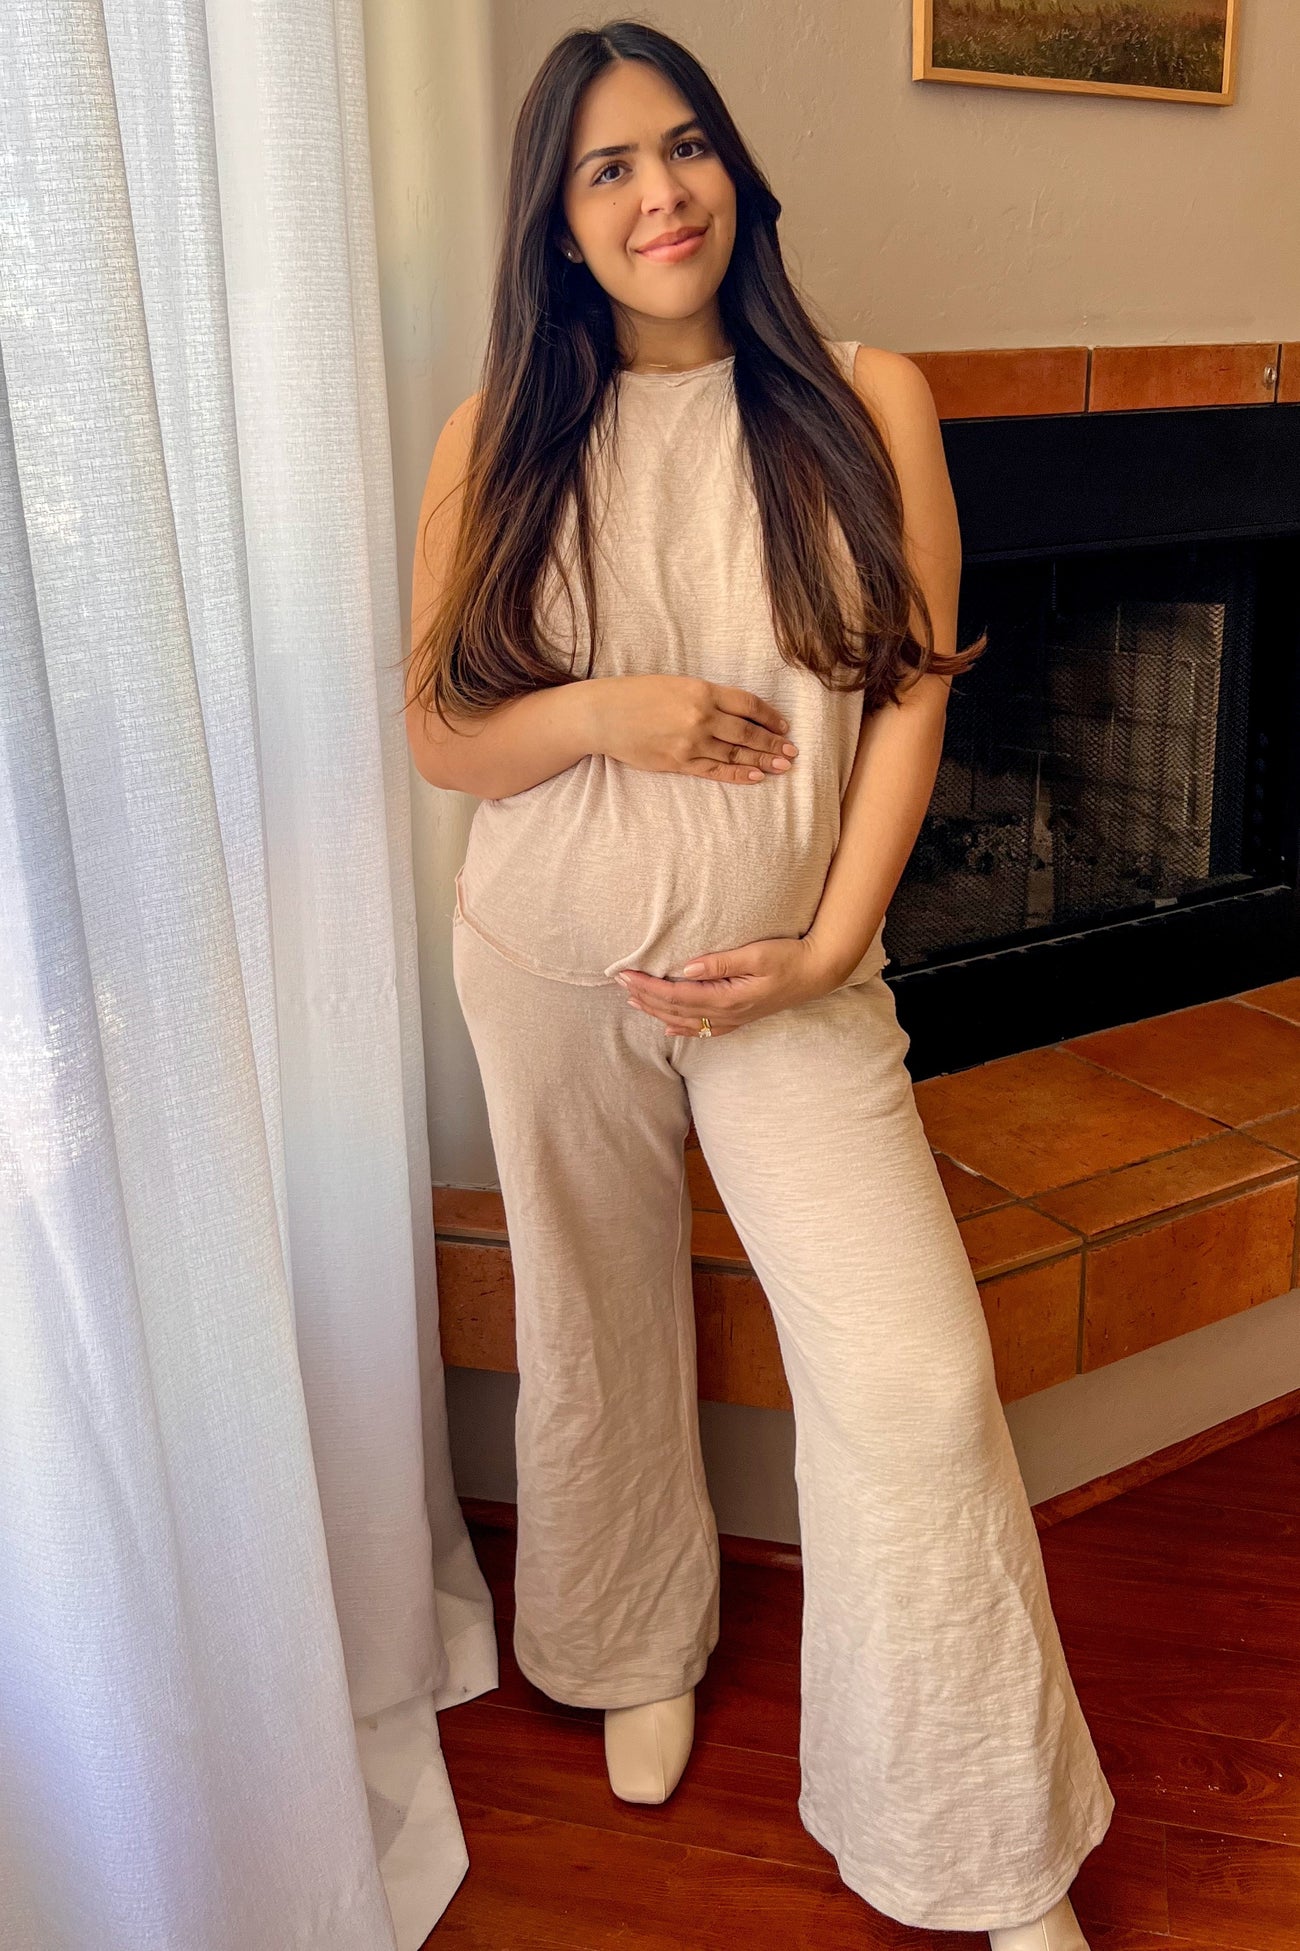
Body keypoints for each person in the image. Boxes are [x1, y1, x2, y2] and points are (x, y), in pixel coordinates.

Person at [404, 19, 1115, 1948]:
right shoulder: (496, 435)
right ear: (559, 224)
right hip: (548, 960)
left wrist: (826, 946)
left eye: (688, 146)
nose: (662, 193)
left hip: (790, 978)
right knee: (593, 1314)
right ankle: (629, 1638)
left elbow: (911, 700)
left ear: (737, 170)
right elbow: (446, 736)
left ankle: (976, 1839)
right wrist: (609, 712)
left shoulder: (868, 398)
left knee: (915, 1386)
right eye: (610, 168)